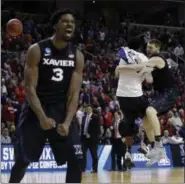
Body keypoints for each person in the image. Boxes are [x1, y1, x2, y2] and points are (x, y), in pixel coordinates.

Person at [9, 9, 84, 183]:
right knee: (22, 160)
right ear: (55, 25)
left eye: (72, 22)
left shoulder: (77, 56)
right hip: (36, 111)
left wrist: (66, 121)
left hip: (62, 110)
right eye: (65, 21)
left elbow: (74, 93)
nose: (70, 25)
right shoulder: (37, 50)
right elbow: (29, 88)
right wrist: (42, 117)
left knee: (77, 160)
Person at [138, 39, 179, 165]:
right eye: (147, 47)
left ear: (157, 49)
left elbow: (142, 66)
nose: (148, 49)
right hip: (161, 94)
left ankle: (159, 145)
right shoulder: (152, 64)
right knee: (145, 121)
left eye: (151, 47)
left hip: (170, 92)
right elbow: (149, 80)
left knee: (150, 110)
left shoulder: (157, 58)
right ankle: (157, 150)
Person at [115, 46, 151, 168]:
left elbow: (120, 73)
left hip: (122, 95)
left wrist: (119, 68)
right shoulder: (144, 58)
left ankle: (128, 152)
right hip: (135, 94)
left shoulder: (122, 58)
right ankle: (144, 144)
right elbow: (147, 79)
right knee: (149, 116)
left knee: (128, 122)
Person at [81, 106, 101, 173]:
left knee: (94, 154)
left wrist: (91, 134)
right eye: (87, 109)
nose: (88, 110)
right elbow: (83, 127)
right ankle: (83, 168)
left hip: (92, 139)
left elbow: (98, 129)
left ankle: (95, 169)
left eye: (89, 109)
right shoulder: (84, 117)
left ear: (91, 109)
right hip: (84, 138)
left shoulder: (95, 117)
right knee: (83, 153)